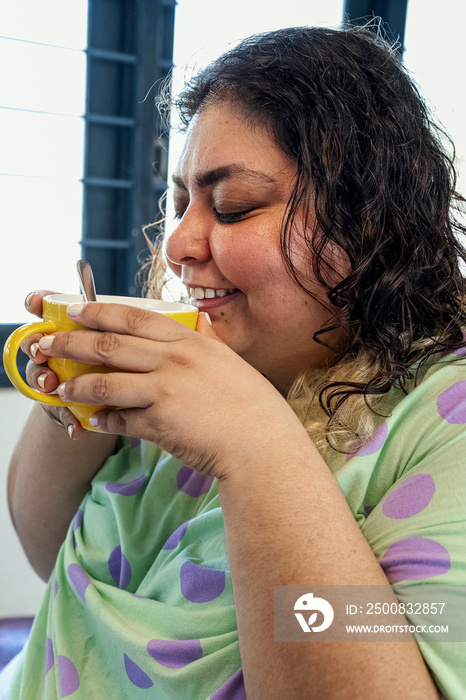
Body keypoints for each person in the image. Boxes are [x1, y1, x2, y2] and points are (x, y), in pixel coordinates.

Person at [2, 23, 466, 699]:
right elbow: (59, 569)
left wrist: (256, 449)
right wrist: (76, 387)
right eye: (182, 201)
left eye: (234, 205)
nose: (181, 243)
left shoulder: (444, 425)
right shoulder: (195, 358)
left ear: (368, 223)